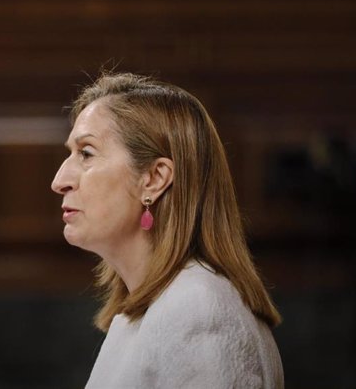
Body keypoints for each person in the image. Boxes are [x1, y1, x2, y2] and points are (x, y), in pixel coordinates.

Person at [51, 73, 284, 388]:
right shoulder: (145, 310)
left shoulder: (198, 308)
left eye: (86, 154)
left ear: (154, 178)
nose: (60, 180)